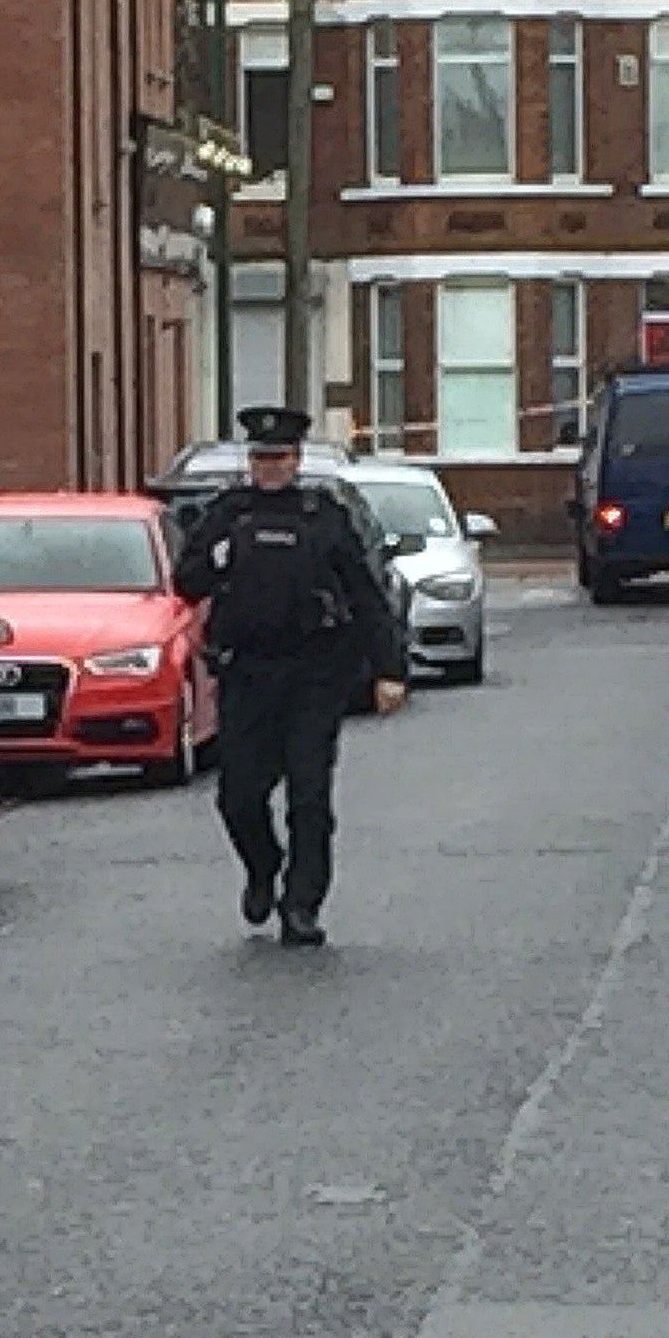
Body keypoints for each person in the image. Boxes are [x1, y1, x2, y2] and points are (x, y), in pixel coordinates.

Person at [172, 405, 408, 947]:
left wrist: (388, 669)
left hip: (314, 675)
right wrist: (217, 560)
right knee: (239, 797)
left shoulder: (322, 516)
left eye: (279, 457)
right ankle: (262, 866)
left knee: (309, 797)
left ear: (297, 460)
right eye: (260, 458)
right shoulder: (227, 514)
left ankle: (302, 904)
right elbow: (187, 583)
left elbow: (365, 595)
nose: (269, 467)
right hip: (247, 674)